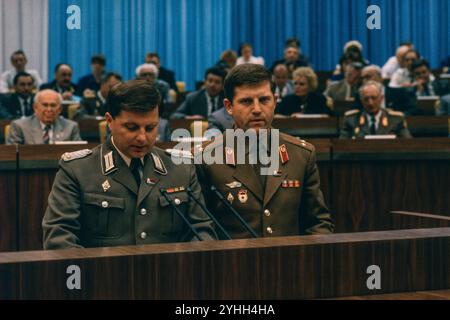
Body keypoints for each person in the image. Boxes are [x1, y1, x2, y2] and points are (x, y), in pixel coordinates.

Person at [42, 80, 216, 249]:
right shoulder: (77, 169)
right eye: (132, 127)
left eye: (150, 128)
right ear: (110, 121)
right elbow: (59, 236)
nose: (142, 137)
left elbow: (202, 231)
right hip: (103, 275)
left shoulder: (181, 167)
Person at [196, 64, 334, 239]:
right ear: (229, 106)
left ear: (275, 102)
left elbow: (317, 223)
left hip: (290, 261)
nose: (257, 109)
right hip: (232, 262)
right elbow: (201, 228)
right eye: (246, 101)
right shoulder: (205, 158)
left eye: (264, 100)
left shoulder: (301, 155)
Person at [340, 81, 412, 139]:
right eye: (366, 99)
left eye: (374, 98)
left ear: (381, 98)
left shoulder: (396, 119)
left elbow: (408, 144)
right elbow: (342, 146)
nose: (370, 103)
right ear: (361, 100)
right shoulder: (351, 119)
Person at [7, 89, 81, 144]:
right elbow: (12, 156)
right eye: (45, 105)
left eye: (53, 105)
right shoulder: (19, 127)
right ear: (35, 107)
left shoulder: (71, 127)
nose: (49, 109)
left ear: (60, 109)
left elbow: (79, 156)